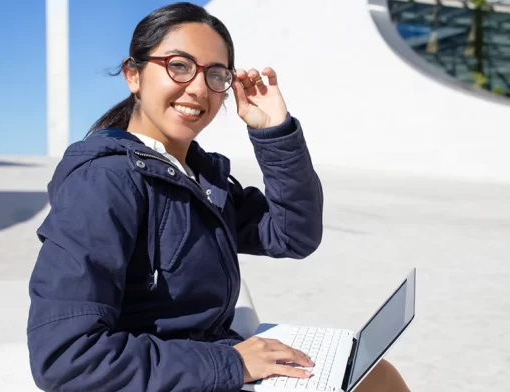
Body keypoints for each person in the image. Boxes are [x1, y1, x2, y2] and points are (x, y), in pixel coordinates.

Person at [26, 2, 410, 391]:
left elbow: (295, 235)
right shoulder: (102, 182)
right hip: (171, 377)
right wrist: (231, 363)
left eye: (215, 74)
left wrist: (274, 131)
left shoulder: (201, 178)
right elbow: (66, 357)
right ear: (133, 75)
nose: (197, 87)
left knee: (375, 375)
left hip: (207, 364)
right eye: (179, 65)